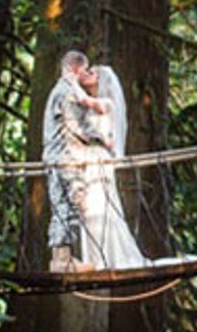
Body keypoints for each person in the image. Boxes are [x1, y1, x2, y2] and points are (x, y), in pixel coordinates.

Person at [74, 64, 151, 270]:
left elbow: (104, 136)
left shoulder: (106, 104)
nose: (87, 74)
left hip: (98, 161)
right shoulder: (88, 106)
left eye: (92, 73)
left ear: (101, 81)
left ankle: (104, 258)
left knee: (99, 206)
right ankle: (93, 258)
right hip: (87, 161)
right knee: (87, 209)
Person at [42, 50, 108, 273]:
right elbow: (76, 125)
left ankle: (60, 259)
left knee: (60, 206)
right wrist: (102, 139)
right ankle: (64, 260)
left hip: (55, 157)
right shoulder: (68, 93)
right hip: (66, 157)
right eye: (84, 70)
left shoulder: (57, 91)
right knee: (72, 204)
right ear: (76, 69)